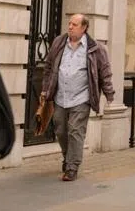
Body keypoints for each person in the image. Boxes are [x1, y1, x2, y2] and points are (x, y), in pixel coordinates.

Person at [41, 13, 115, 181]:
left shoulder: (95, 48)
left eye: (74, 24)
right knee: (60, 130)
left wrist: (109, 94)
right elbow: (48, 67)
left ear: (84, 28)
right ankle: (68, 158)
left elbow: (105, 73)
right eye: (69, 23)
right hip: (60, 96)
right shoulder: (59, 43)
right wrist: (45, 89)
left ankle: (72, 166)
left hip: (82, 97)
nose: (70, 27)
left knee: (75, 130)